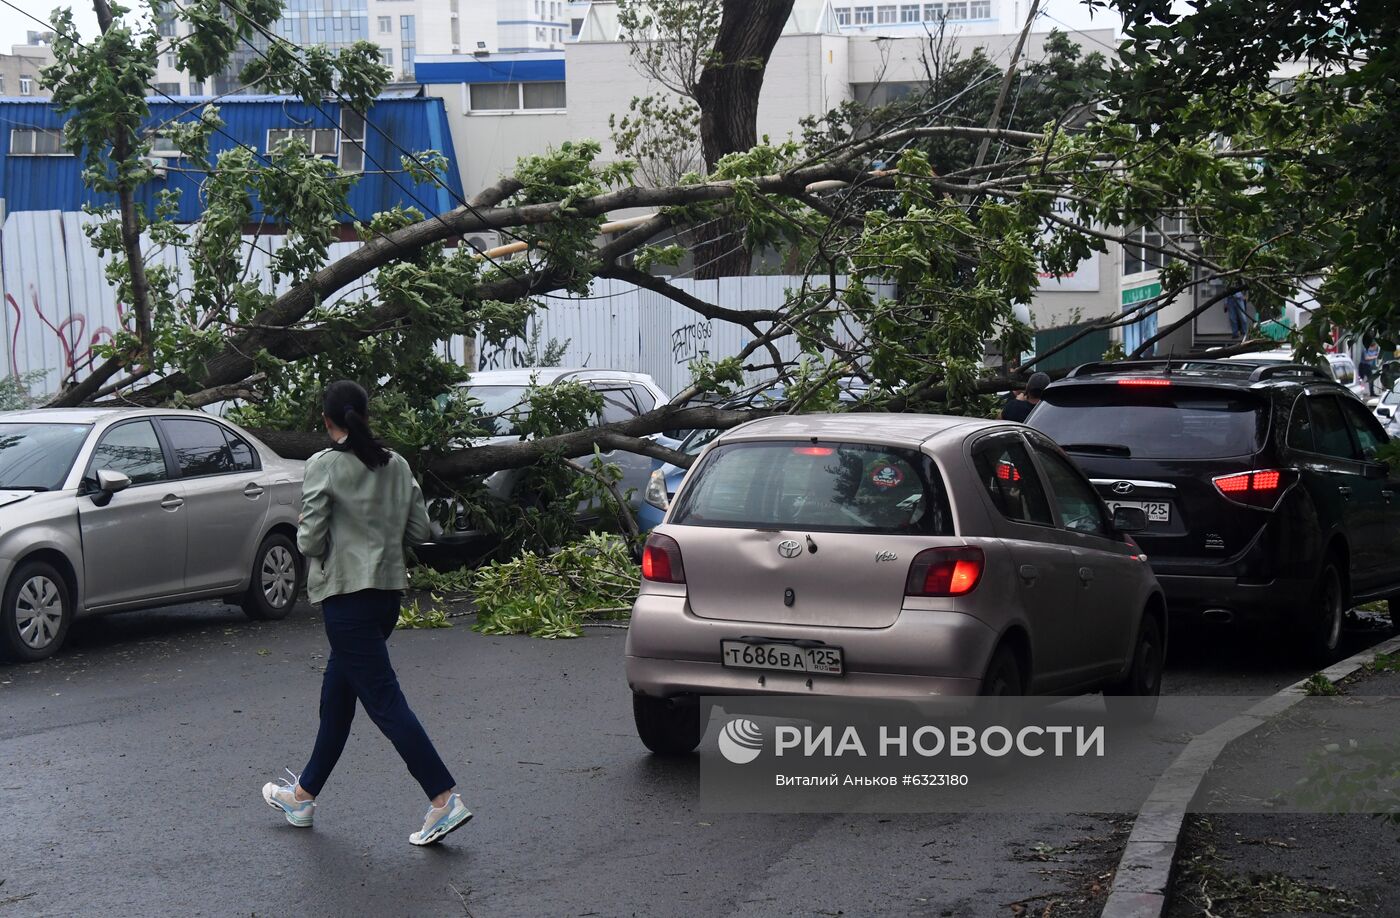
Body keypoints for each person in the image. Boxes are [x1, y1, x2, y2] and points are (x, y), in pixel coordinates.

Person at [260, 380, 471, 847]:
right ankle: (302, 796)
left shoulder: (324, 466)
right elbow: (419, 530)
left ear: (327, 421)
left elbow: (310, 542)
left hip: (346, 601)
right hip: (385, 601)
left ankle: (443, 798)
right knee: (337, 703)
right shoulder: (396, 464)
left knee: (384, 701)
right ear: (366, 415)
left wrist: (312, 529)